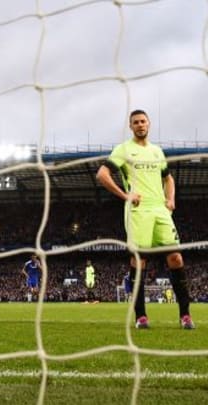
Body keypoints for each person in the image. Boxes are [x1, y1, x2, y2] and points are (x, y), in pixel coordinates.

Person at [96, 109, 194, 329]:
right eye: (136, 122)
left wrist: (171, 199)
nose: (140, 125)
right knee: (139, 262)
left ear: (149, 124)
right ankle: (141, 317)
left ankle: (185, 315)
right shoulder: (123, 150)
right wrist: (125, 195)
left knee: (176, 258)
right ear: (130, 126)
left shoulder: (157, 152)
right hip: (138, 212)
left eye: (143, 121)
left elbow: (168, 179)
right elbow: (102, 174)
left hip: (160, 211)